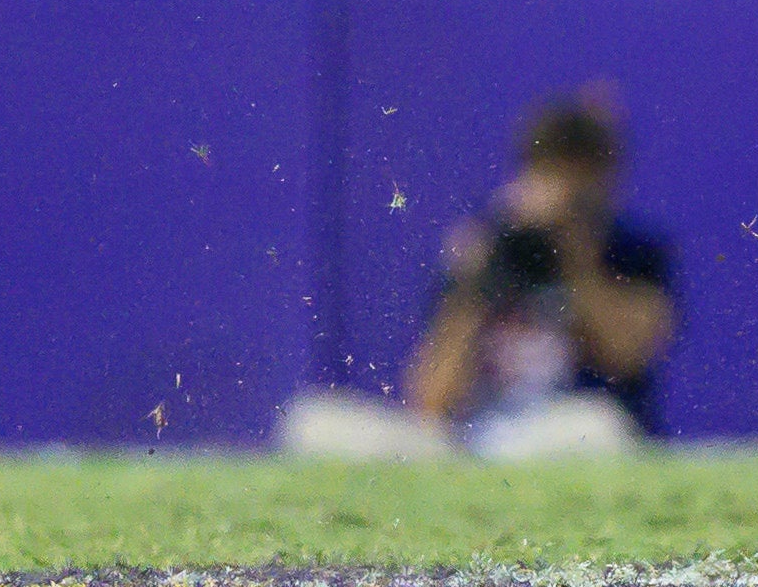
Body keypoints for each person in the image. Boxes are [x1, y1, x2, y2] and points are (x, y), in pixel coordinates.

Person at [277, 93, 674, 461]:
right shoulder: (490, 240)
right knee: (312, 421)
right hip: (468, 439)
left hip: (555, 431)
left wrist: (575, 258)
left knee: (601, 427)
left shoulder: (632, 251)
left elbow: (627, 356)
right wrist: (476, 283)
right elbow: (429, 400)